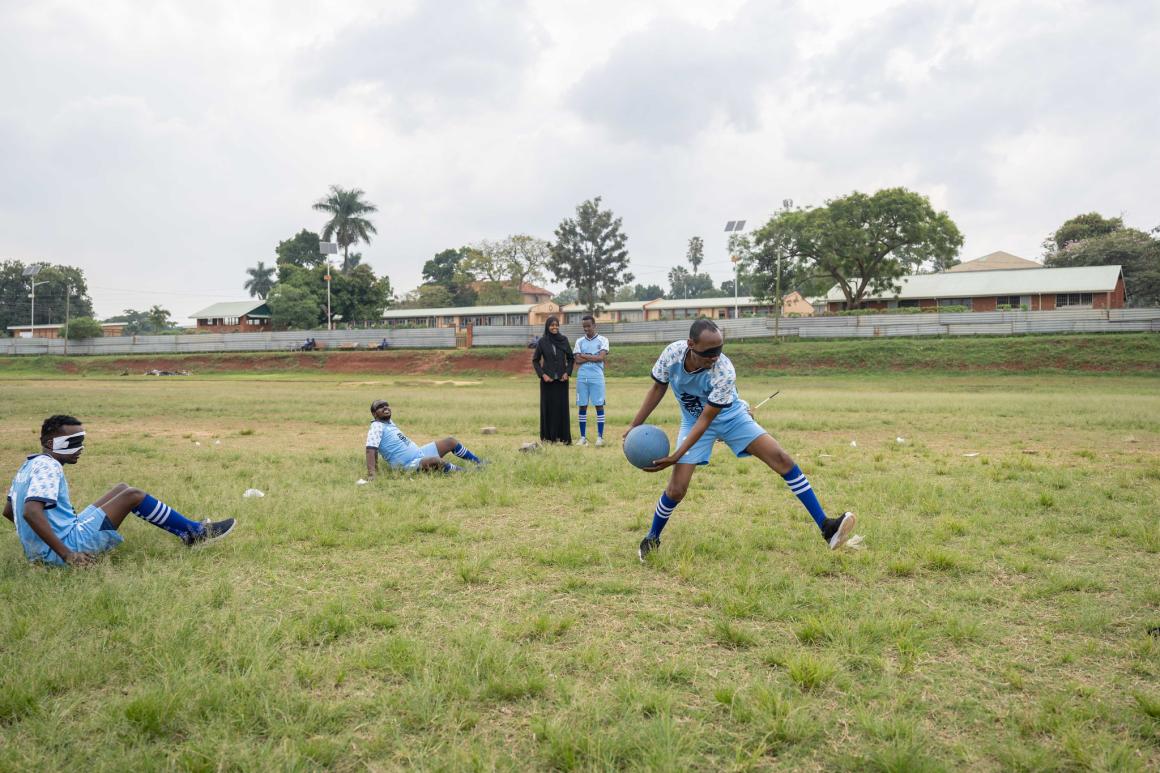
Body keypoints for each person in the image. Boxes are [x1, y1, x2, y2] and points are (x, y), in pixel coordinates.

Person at [625, 319, 856, 561]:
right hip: (692, 421)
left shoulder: (724, 370)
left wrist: (676, 455)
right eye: (708, 352)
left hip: (730, 417)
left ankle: (827, 528)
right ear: (691, 344)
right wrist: (634, 426)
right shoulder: (672, 354)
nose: (715, 357)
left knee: (782, 459)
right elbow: (657, 389)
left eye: (719, 350)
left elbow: (709, 419)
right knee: (677, 489)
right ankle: (652, 537)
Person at [4, 415, 236, 567]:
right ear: (51, 443)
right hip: (65, 549)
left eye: (81, 441)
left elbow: (8, 511)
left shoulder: (29, 465)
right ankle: (194, 533)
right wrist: (66, 554)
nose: (81, 448)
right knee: (132, 495)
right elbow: (31, 512)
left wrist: (36, 543)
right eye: (73, 442)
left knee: (121, 489)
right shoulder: (50, 465)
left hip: (47, 550)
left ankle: (190, 533)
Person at [365, 399, 485, 477]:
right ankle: (465, 473)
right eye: (381, 407)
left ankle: (479, 462)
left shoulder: (389, 422)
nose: (386, 407)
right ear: (375, 414)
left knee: (450, 442)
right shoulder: (376, 427)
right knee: (436, 461)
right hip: (408, 465)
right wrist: (372, 474)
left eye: (387, 405)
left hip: (420, 453)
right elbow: (371, 450)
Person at [531, 316, 574, 444]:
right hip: (547, 382)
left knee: (562, 408)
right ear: (547, 327)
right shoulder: (542, 342)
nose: (554, 327)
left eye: (556, 325)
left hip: (561, 381)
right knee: (548, 408)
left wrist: (567, 372)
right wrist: (543, 375)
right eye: (552, 325)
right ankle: (548, 438)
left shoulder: (564, 340)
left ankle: (564, 438)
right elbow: (535, 360)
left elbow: (571, 358)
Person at [572, 314, 609, 446]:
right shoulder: (579, 341)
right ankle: (583, 438)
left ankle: (600, 437)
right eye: (584, 327)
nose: (586, 329)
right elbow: (577, 360)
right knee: (582, 405)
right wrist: (593, 356)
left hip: (597, 376)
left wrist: (584, 355)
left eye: (588, 326)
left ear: (594, 325)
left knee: (599, 405)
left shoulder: (603, 340)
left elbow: (601, 358)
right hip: (582, 377)